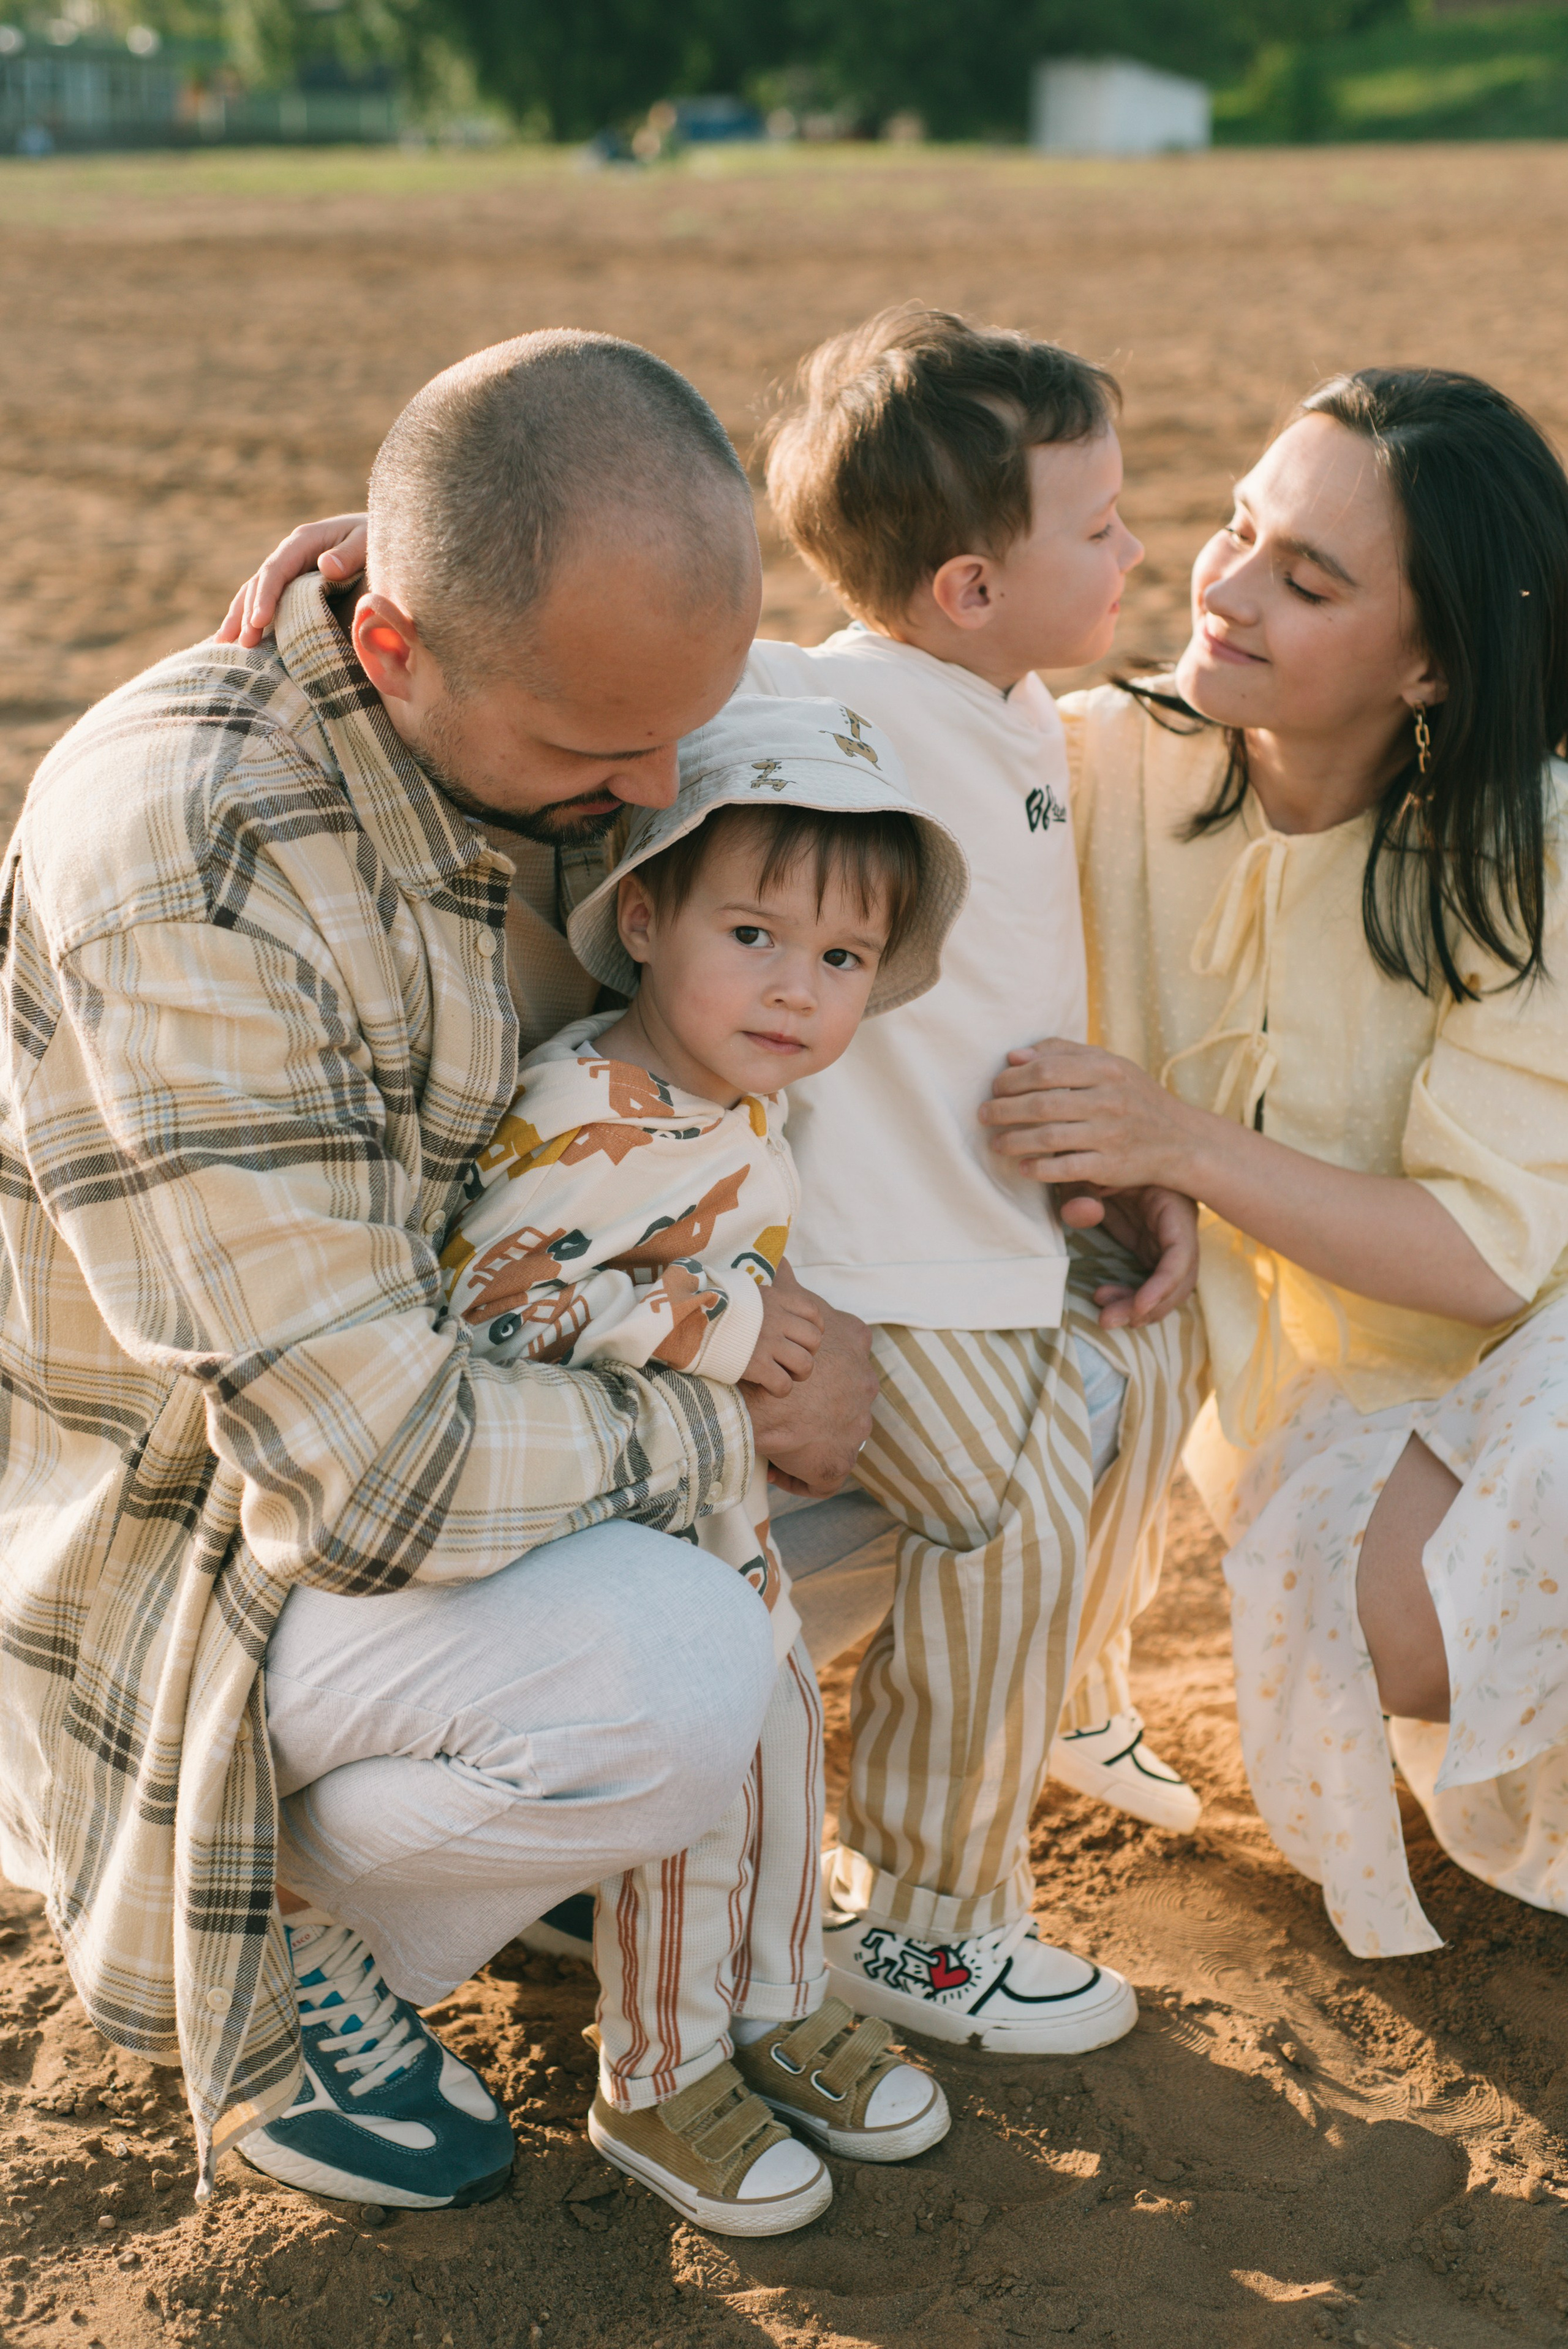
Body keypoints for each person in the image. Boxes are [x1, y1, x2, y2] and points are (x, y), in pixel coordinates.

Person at [219, 306, 1209, 2061]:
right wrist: (370, 558)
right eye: (1106, 524)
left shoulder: (1024, 701)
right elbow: (567, 615)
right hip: (888, 1260)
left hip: (996, 1237)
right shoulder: (837, 698)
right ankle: (933, 1920)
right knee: (1001, 1514)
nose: (1140, 547)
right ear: (970, 584)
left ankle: (1053, 1726)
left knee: (1123, 1403)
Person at [0, 331, 880, 2215]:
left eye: (685, 718)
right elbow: (373, 1475)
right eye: (598, 750)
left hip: (499, 1393)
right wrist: (728, 1388)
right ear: (391, 654)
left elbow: (817, 712)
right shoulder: (189, 858)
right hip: (206, 1547)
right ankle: (302, 1923)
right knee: (683, 1664)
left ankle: (540, 1840)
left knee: (925, 1443)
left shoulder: (548, 687)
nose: (663, 785)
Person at [983, 367, 1568, 1958]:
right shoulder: (1104, 765)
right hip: (1344, 1400)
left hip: (1540, 1341)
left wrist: (1185, 1142)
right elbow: (850, 703)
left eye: (1307, 579)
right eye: (1241, 526)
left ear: (1434, 658)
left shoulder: (1534, 853)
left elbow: (1485, 1255)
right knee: (1386, 1611)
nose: (1225, 587)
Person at [440, 696, 965, 2231]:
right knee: (701, 1800)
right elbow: (486, 1307)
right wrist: (725, 1312)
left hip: (704, 1519)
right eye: (754, 934)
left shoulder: (731, 1095)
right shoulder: (585, 1100)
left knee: (791, 1754)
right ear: (648, 911)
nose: (798, 989)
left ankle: (777, 1998)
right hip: (599, 1548)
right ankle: (658, 2073)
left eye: (843, 959)